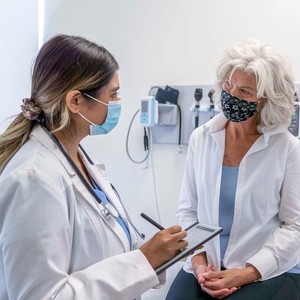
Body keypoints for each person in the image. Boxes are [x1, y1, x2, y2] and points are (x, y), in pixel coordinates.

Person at [0, 34, 188, 300]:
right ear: (75, 101)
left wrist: (152, 255)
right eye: (113, 94)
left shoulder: (76, 158)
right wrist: (142, 262)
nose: (118, 102)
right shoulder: (32, 179)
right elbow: (42, 296)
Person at [166, 38, 300, 299]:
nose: (232, 95)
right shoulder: (202, 138)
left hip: (265, 268)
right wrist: (199, 262)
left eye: (245, 92)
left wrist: (249, 271)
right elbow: (188, 210)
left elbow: (294, 226)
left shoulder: (288, 149)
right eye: (229, 85)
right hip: (206, 262)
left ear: (265, 100)